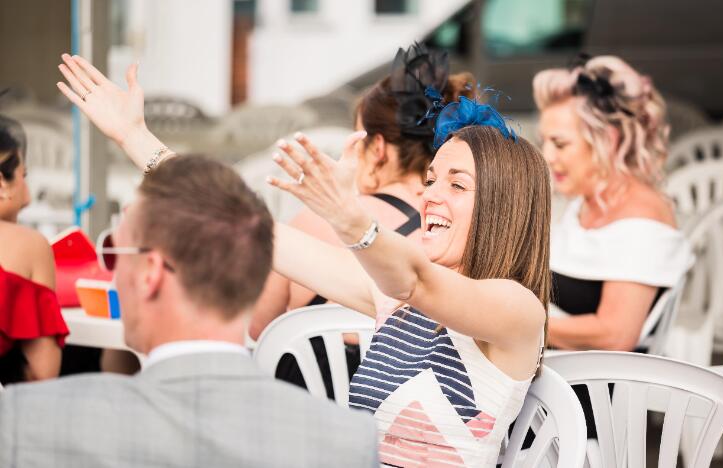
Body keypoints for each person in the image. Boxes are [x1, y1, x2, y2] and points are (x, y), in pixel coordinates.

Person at [55, 54, 549, 467]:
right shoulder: (395, 299)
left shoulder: (516, 309)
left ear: (502, 207)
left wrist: (350, 219)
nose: (431, 195)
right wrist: (136, 139)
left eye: (456, 184)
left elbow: (416, 281)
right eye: (433, 178)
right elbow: (244, 223)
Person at [0, 133, 379, 465]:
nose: (112, 273)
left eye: (117, 252)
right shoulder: (347, 441)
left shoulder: (28, 420)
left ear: (149, 272)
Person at [249, 43, 475, 340]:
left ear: (377, 148)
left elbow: (259, 328)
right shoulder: (456, 231)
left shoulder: (314, 221)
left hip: (308, 384)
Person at [533, 55, 693, 352]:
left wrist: (516, 324)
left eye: (560, 143)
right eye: (544, 142)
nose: (547, 156)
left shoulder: (643, 220)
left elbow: (615, 335)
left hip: (597, 389)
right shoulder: (585, 203)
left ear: (608, 140)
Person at [0, 114, 68, 385]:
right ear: (2, 182)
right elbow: (42, 374)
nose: (27, 197)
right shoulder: (27, 244)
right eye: (23, 177)